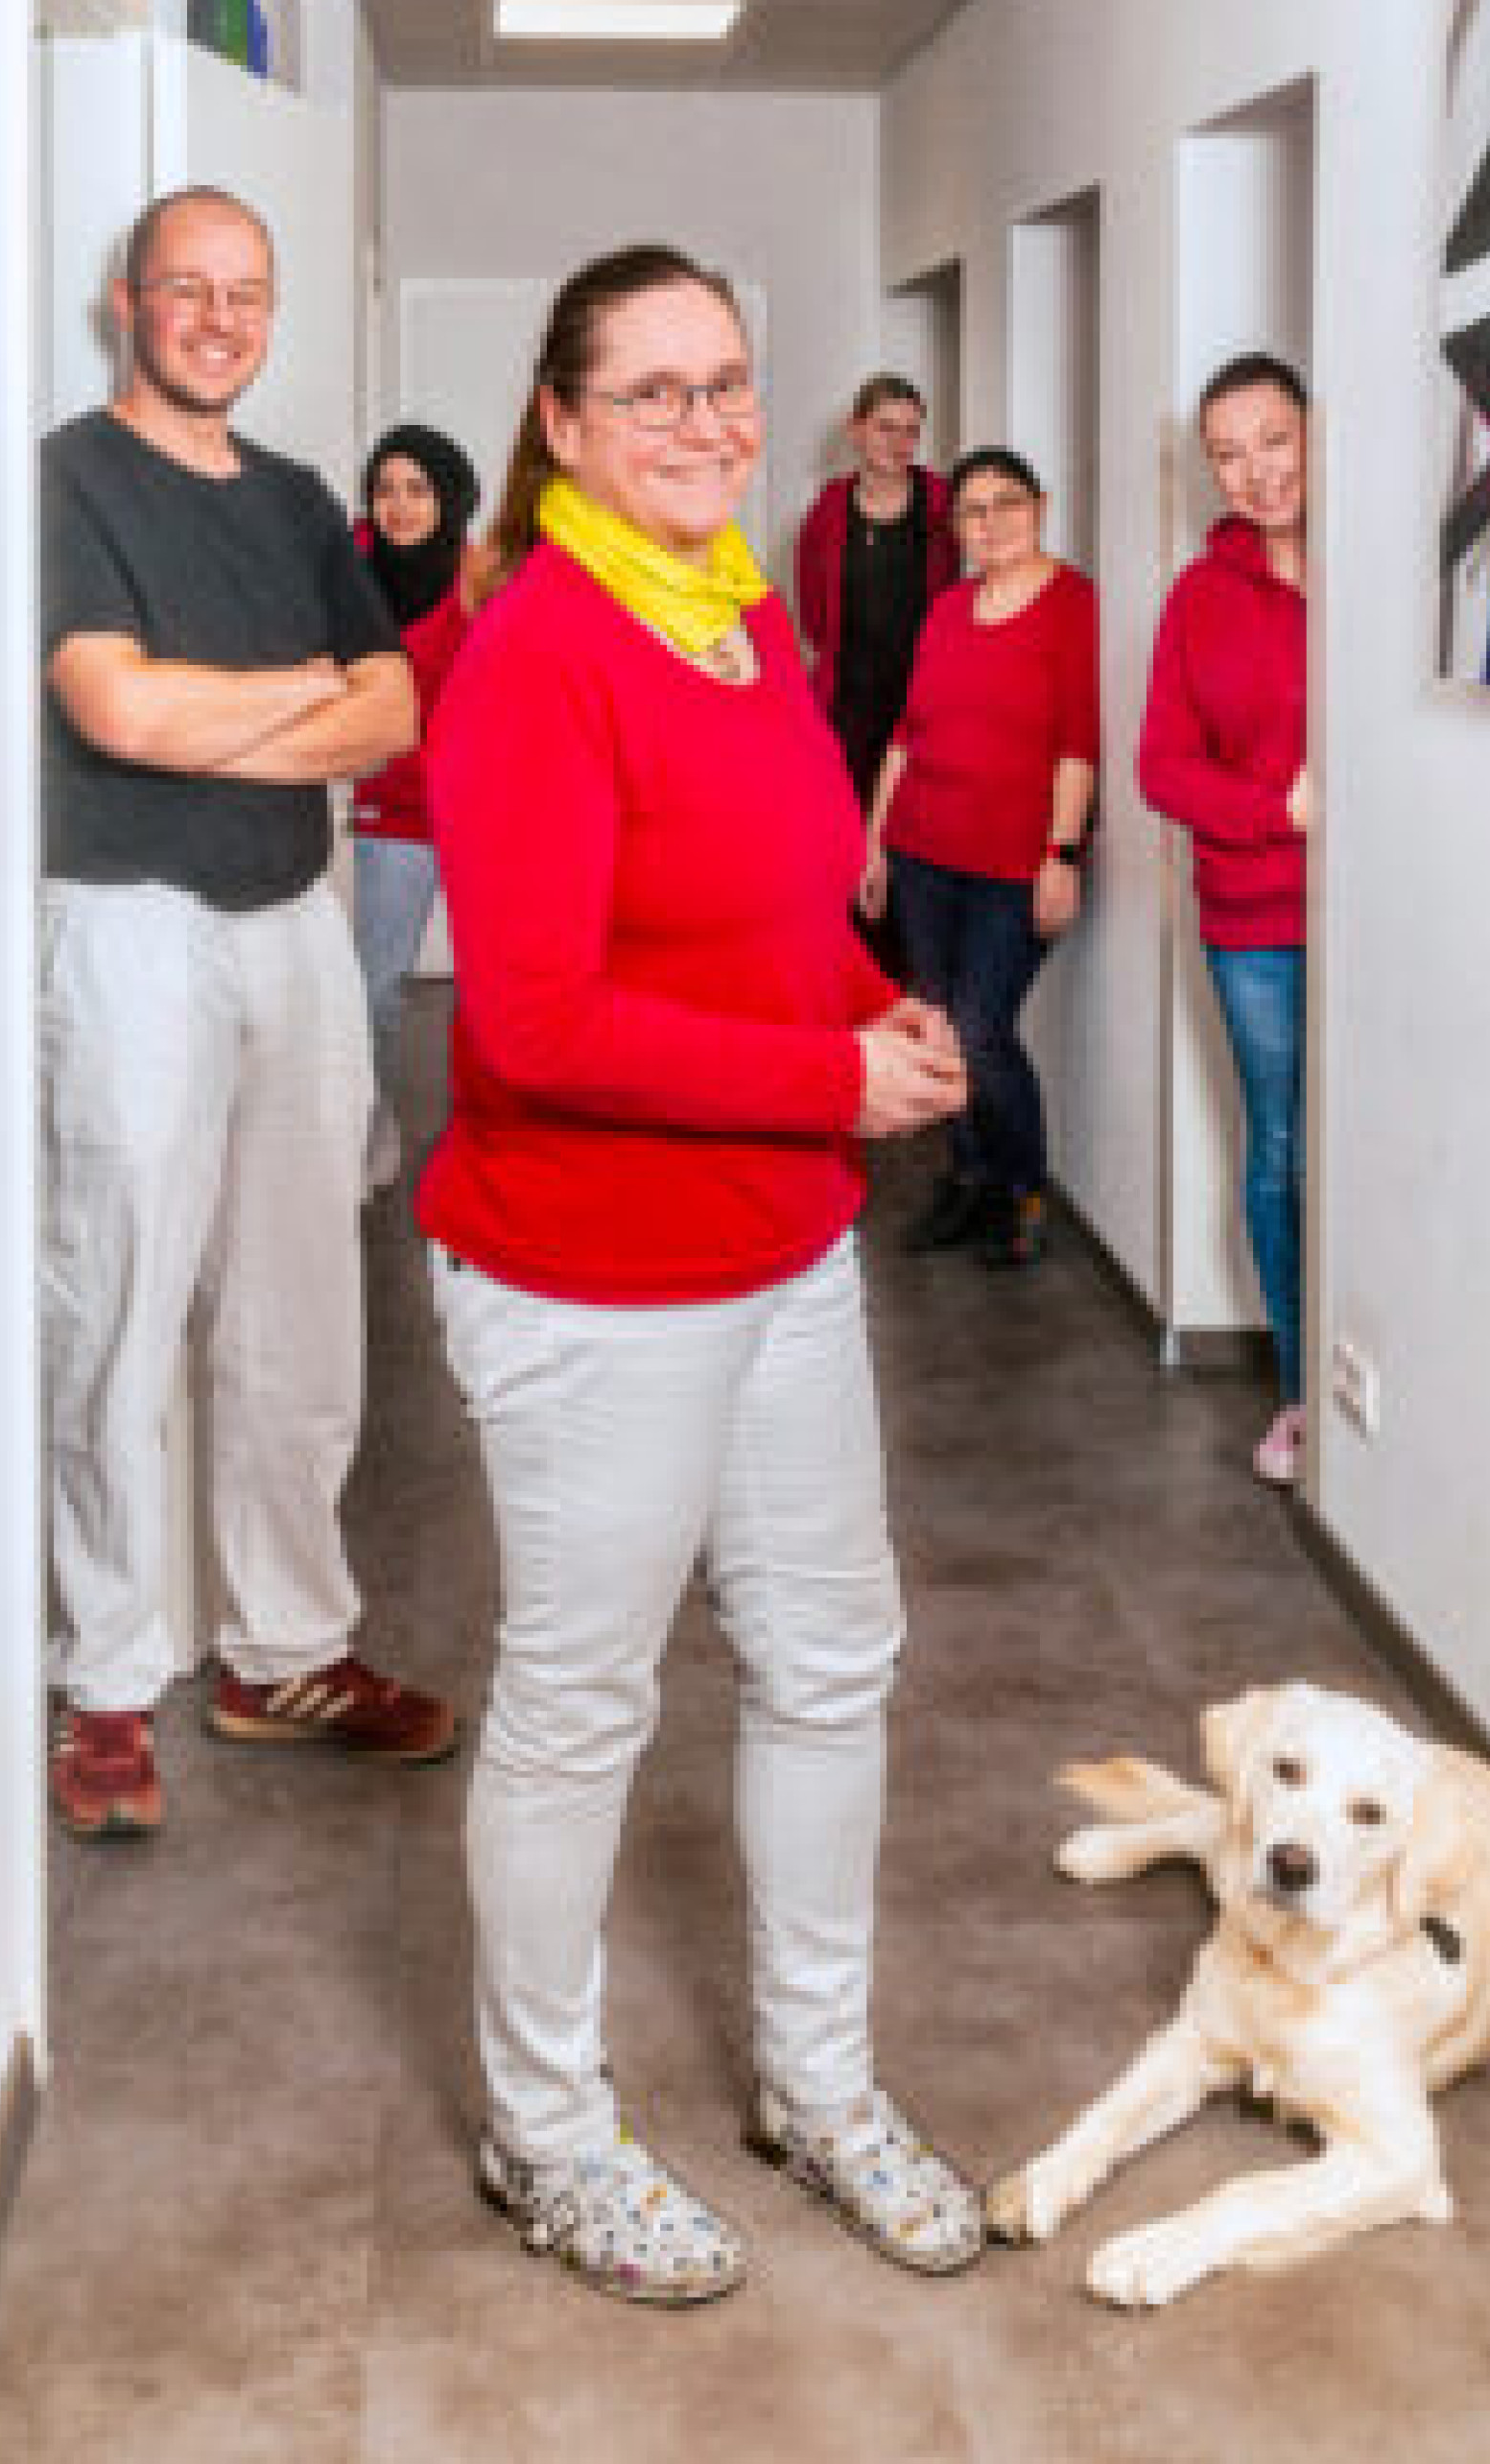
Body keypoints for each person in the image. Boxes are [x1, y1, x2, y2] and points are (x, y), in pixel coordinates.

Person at [418, 246, 982, 2303]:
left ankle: (815, 2089)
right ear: (561, 423)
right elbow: (536, 1024)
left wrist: (862, 1006)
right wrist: (829, 1078)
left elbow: (772, 904)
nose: (701, 421)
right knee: (582, 1706)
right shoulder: (537, 654)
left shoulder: (738, 610)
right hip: (593, 1276)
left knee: (831, 1661)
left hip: (783, 1244)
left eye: (725, 381)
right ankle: (548, 2134)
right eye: (649, 390)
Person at [39, 185, 460, 1841]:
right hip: (127, 923)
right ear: (128, 303)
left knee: (302, 1308)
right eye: (189, 289)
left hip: (293, 923)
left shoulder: (293, 501)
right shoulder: (71, 479)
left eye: (247, 294)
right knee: (120, 1300)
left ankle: (283, 1652)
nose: (220, 320)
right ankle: (105, 1682)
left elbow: (392, 706)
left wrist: (228, 709)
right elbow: (114, 711)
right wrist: (295, 695)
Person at [1138, 352, 1312, 1488]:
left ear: (1313, 432)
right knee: (1280, 1147)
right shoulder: (1198, 597)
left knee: (1379, 1141)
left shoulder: (1380, 569)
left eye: (1273, 440)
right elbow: (1161, 766)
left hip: (1381, 912)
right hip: (1254, 918)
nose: (1255, 473)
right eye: (1227, 455)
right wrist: (1272, 812)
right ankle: (1302, 1395)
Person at [861, 446, 1100, 1267]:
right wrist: (874, 843)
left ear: (1041, 505)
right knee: (937, 1025)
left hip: (1013, 865)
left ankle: (1023, 1190)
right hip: (922, 849)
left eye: (1007, 503)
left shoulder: (1073, 605)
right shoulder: (947, 612)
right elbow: (906, 734)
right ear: (955, 527)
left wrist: (1061, 853)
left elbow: (1078, 743)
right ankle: (968, 1180)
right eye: (973, 510)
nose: (991, 522)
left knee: (982, 1028)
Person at [345, 421, 487, 1189]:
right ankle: (372, 1126)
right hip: (390, 812)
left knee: (494, 990)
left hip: (473, 812)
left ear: (450, 497)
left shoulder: (479, 571)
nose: (399, 506)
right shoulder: (352, 561)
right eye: (385, 489)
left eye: (418, 490)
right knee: (374, 988)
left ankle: (488, 1139)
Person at [793, 374, 958, 811]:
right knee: (844, 815)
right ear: (856, 429)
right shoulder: (828, 509)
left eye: (911, 431)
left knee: (915, 818)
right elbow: (813, 613)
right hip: (848, 702)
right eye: (886, 427)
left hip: (923, 696)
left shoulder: (942, 502)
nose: (900, 443)